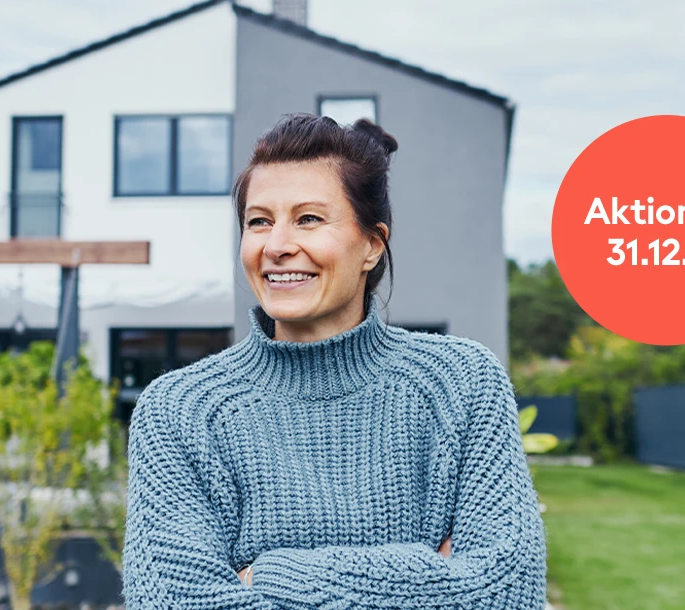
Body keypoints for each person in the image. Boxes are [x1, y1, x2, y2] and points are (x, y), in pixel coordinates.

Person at [120, 114, 547, 609]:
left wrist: (272, 576)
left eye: (308, 219)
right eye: (259, 221)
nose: (277, 246)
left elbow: (505, 593)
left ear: (371, 244)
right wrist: (433, 577)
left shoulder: (464, 384)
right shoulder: (179, 411)